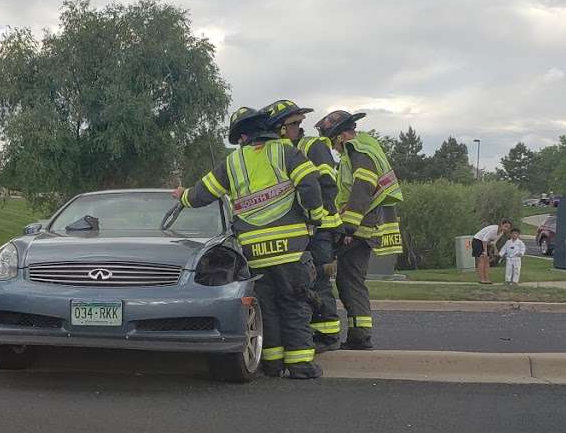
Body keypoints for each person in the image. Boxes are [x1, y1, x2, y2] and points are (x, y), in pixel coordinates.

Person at [173, 101, 327, 378]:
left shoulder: (233, 161)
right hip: (290, 250)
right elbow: (309, 182)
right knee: (294, 304)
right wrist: (316, 215)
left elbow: (201, 194)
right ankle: (301, 365)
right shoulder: (285, 151)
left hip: (254, 252)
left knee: (266, 308)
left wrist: (182, 195)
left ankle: (272, 364)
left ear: (242, 137)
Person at [314, 110, 404, 350]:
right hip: (362, 224)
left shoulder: (358, 150)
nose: (334, 148)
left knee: (350, 281)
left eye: (333, 142)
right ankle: (358, 333)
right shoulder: (363, 148)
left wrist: (348, 228)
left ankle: (360, 336)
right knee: (348, 280)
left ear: (340, 136)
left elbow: (363, 186)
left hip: (359, 227)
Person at [281, 105, 344, 351]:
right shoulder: (286, 150)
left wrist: (316, 217)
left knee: (319, 278)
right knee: (305, 280)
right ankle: (314, 330)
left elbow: (326, 185)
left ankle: (327, 335)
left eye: (294, 125)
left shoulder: (311, 147)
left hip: (321, 227)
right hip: (305, 228)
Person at [470, 220, 512, 284]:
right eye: (505, 226)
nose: (506, 229)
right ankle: (482, 279)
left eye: (508, 228)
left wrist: (495, 250)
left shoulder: (501, 233)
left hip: (486, 243)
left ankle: (487, 279)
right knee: (482, 260)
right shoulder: (494, 229)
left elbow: (493, 242)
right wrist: (485, 251)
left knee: (487, 261)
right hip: (478, 241)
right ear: (501, 225)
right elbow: (484, 239)